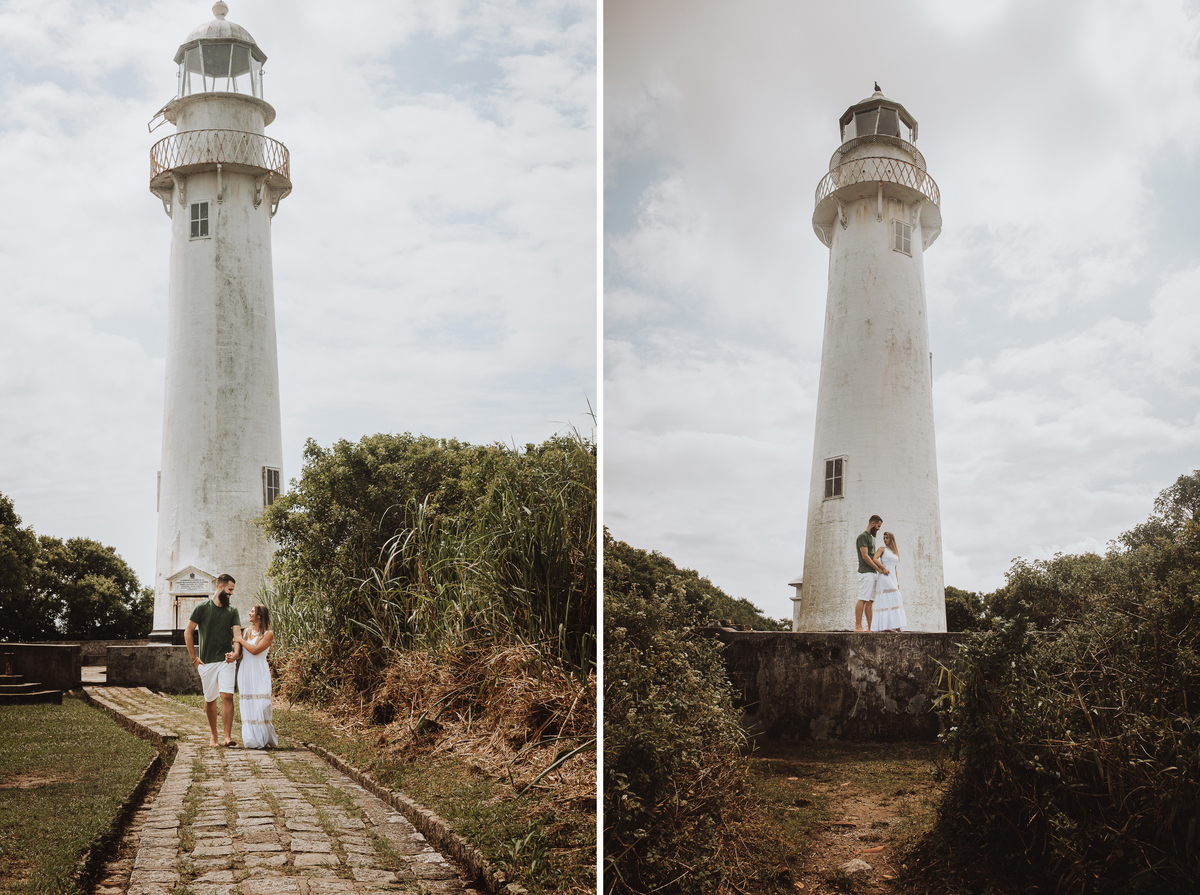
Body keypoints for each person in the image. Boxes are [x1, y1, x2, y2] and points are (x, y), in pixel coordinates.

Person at [185, 574, 242, 747]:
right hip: (207, 662)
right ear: (220, 587)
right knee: (210, 700)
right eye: (229, 590)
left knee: (227, 696)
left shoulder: (232, 611)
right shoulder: (201, 608)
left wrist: (236, 654)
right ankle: (213, 736)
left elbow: (237, 635)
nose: (231, 594)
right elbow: (188, 632)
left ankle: (227, 737)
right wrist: (194, 658)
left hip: (226, 660)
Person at [233, 604, 278, 749]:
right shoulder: (246, 631)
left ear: (259, 616)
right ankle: (252, 739)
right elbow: (242, 653)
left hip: (259, 671)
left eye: (252, 611)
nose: (249, 613)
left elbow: (255, 650)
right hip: (246, 670)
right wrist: (233, 656)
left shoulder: (268, 634)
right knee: (248, 704)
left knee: (261, 705)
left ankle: (264, 737)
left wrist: (239, 640)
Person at [855, 515, 889, 632]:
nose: (879, 529)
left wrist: (882, 568)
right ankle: (858, 626)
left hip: (871, 573)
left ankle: (871, 628)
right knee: (862, 598)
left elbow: (873, 557)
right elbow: (865, 557)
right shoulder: (863, 537)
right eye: (878, 526)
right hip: (865, 572)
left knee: (870, 601)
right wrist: (878, 569)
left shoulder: (871, 538)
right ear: (873, 523)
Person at [871, 531, 907, 632]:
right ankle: (886, 627)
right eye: (884, 538)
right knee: (890, 598)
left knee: (894, 599)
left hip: (893, 578)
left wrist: (897, 581)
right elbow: (874, 558)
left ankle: (895, 625)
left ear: (891, 539)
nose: (885, 540)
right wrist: (883, 568)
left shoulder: (895, 552)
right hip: (884, 576)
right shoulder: (882, 549)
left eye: (887, 538)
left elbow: (894, 568)